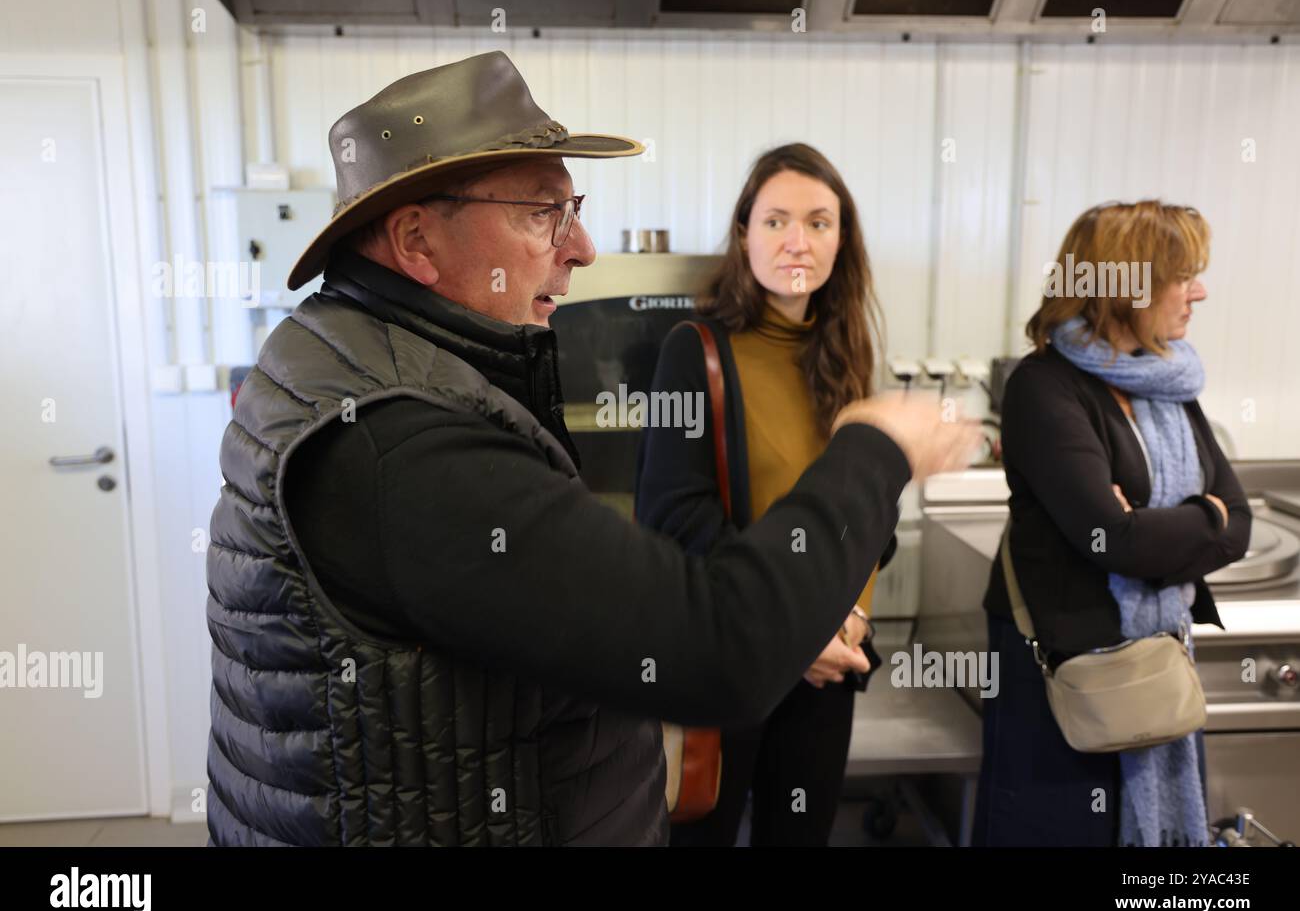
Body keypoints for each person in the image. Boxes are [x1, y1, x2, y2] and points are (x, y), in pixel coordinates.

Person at [203, 50, 976, 846]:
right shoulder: (396, 438)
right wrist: (876, 446)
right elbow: (716, 648)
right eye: (543, 213)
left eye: (572, 206)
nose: (583, 247)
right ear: (416, 239)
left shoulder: (367, 362)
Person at [973, 200, 1251, 847]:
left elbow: (1236, 520)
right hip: (1069, 672)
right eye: (1182, 276)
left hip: (1155, 669)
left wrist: (1172, 524)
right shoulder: (1043, 388)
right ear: (1126, 287)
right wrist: (1195, 518)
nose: (1199, 292)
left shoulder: (1168, 380)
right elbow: (1112, 539)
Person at [636, 143, 891, 846]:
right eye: (776, 220)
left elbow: (872, 511)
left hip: (827, 669)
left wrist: (852, 619)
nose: (796, 241)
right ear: (744, 231)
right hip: (730, 662)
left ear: (843, 239)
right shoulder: (693, 350)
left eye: (818, 222)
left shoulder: (848, 353)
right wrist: (791, 632)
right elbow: (673, 515)